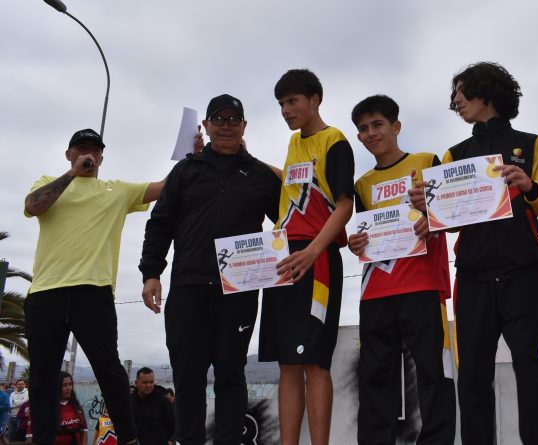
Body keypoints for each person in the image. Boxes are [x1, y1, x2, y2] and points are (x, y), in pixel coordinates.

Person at [409, 62, 538, 444]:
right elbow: (442, 220)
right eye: (454, 95)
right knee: (474, 376)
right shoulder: (453, 154)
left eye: (462, 92)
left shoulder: (532, 144)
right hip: (473, 276)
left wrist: (529, 186)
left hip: (524, 271)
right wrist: (425, 208)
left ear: (487, 92)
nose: (456, 101)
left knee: (531, 367)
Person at [140, 94, 282, 444]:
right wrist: (151, 273)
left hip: (239, 291)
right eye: (219, 119)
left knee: (231, 376)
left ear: (244, 127)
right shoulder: (185, 171)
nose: (226, 126)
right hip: (188, 289)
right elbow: (159, 225)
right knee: (188, 379)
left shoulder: (261, 175)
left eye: (234, 120)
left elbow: (291, 220)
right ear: (205, 125)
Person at [23, 128, 162, 445]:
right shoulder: (47, 182)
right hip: (46, 292)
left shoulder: (117, 191)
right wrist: (72, 174)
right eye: (81, 148)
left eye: (95, 150)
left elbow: (165, 187)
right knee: (43, 376)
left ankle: (128, 438)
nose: (89, 154)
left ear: (102, 156)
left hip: (93, 291)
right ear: (69, 154)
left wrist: (192, 157)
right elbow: (33, 206)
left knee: (109, 370)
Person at [347, 95, 456, 444]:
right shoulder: (361, 184)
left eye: (377, 124)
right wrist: (356, 243)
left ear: (395, 126)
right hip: (376, 290)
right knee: (375, 378)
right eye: (363, 129)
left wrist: (433, 220)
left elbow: (451, 213)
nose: (370, 133)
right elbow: (365, 231)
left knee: (433, 375)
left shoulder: (427, 162)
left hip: (423, 286)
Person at [259, 69, 354, 445]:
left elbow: (345, 204)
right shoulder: (295, 144)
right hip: (283, 257)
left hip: (317, 260)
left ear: (316, 100)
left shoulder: (336, 142)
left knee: (314, 361)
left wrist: (313, 252)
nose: (286, 110)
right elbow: (292, 183)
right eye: (281, 104)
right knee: (287, 362)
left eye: (293, 101)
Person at [28, 372, 88, 445]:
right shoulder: (45, 408)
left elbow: (84, 430)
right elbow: (30, 435)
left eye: (70, 384)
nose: (68, 388)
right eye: (64, 385)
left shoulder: (76, 406)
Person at [130, 368, 174, 445]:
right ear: (136, 383)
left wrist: (171, 441)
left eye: (151, 382)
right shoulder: (130, 401)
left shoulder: (162, 400)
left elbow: (173, 424)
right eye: (145, 382)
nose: (149, 385)